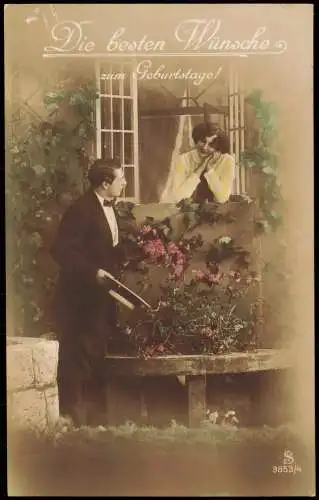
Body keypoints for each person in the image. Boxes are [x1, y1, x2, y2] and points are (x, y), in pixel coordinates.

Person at [51, 158, 127, 427]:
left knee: (96, 353)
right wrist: (92, 272)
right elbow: (62, 250)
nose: (125, 182)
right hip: (80, 298)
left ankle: (94, 419)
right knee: (78, 356)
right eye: (121, 178)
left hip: (101, 297)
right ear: (105, 183)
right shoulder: (81, 210)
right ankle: (74, 417)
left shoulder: (107, 208)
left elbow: (105, 246)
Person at [160, 122, 235, 204]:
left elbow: (222, 198)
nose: (205, 147)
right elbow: (178, 198)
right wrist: (200, 168)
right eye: (203, 141)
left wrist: (209, 169)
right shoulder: (183, 160)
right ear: (196, 139)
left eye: (211, 145)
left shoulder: (227, 161)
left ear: (219, 147)